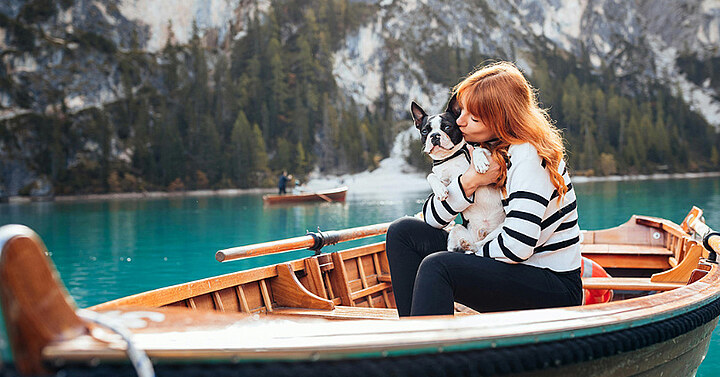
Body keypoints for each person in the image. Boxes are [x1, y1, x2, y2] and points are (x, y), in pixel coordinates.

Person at [386, 62, 582, 317]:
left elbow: (517, 247)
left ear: (500, 119)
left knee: (439, 267)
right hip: (509, 265)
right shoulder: (483, 151)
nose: (460, 121)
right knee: (403, 232)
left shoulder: (529, 155)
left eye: (473, 116)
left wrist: (465, 251)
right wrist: (469, 182)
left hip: (552, 286)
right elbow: (433, 219)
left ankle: (429, 352)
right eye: (462, 111)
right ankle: (413, 337)